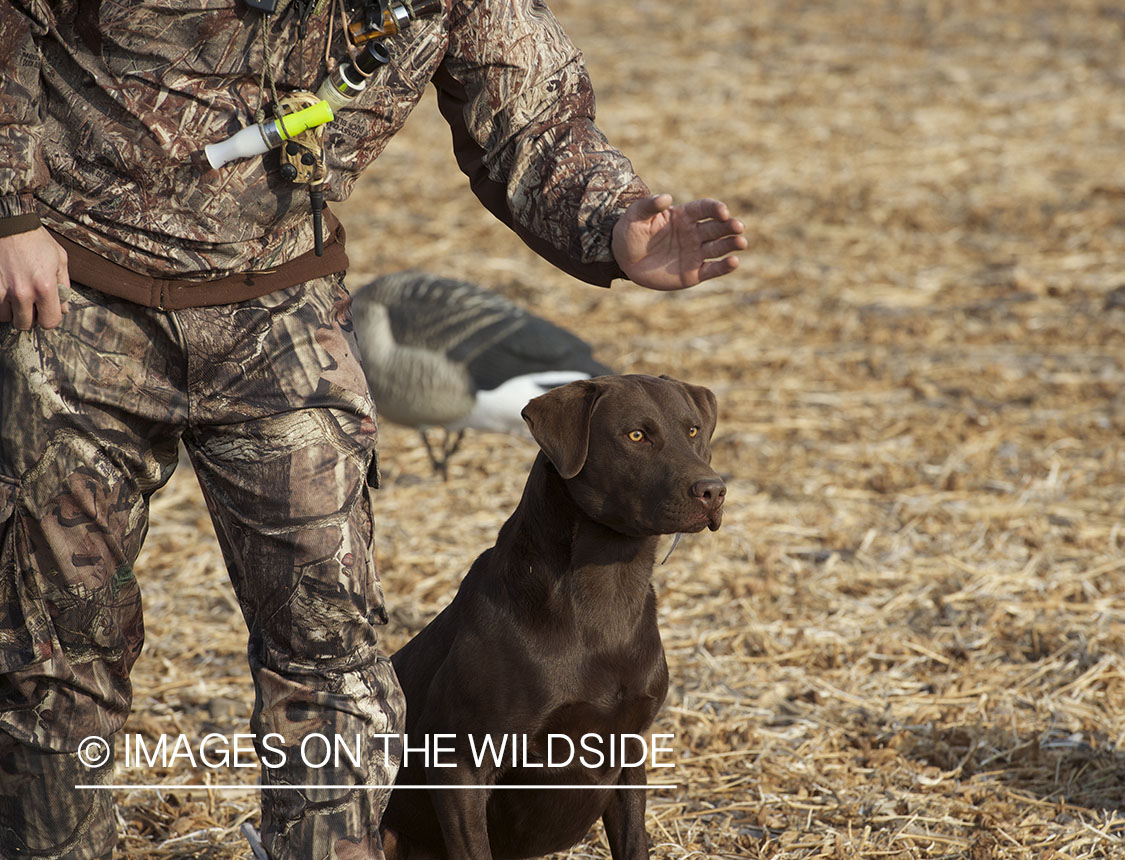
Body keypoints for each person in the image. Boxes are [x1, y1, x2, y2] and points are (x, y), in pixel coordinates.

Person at [0, 1, 746, 857]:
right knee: (53, 659)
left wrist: (614, 222)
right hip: (70, 296)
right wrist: (8, 215)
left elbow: (533, 116)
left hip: (278, 315)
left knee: (334, 665)